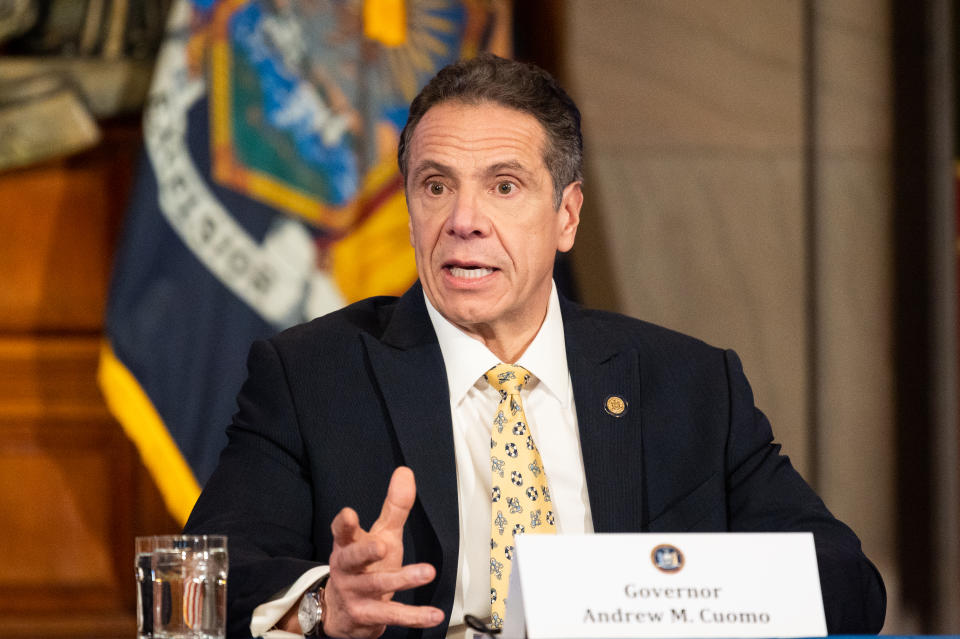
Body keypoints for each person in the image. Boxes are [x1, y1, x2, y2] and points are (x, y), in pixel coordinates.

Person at [184, 53, 886, 638]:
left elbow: (847, 583)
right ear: (409, 209)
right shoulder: (311, 377)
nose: (464, 221)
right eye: (436, 186)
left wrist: (683, 593)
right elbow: (208, 571)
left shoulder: (689, 384)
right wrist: (322, 605)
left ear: (566, 215)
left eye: (504, 186)